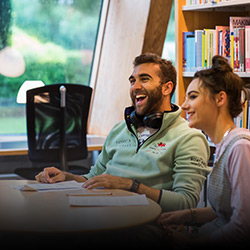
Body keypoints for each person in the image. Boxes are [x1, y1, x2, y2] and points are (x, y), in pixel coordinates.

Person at [36, 53, 211, 212]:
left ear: (166, 88)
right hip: (101, 214)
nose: (135, 87)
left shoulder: (189, 137)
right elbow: (93, 177)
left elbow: (186, 202)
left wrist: (131, 186)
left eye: (144, 79)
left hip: (146, 226)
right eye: (132, 81)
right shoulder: (119, 129)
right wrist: (66, 177)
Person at [158, 55, 250, 246]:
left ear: (220, 98)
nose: (183, 106)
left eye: (193, 97)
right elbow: (224, 210)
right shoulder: (224, 144)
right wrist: (185, 215)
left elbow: (242, 227)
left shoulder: (240, 147)